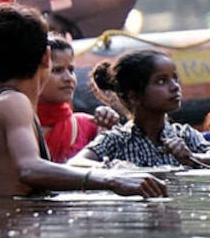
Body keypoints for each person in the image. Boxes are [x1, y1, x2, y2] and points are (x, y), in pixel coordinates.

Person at [0, 2, 166, 199]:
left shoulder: (11, 103)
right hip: (17, 225)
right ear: (47, 57)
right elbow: (29, 168)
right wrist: (110, 179)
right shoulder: (13, 103)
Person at [0, 34, 119, 160]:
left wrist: (107, 133)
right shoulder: (4, 125)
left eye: (71, 70)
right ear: (37, 72)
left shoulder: (89, 126)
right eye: (56, 71)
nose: (68, 78)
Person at [71, 49, 210, 169]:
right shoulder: (116, 140)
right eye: (161, 81)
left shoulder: (184, 135)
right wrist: (113, 169)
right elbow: (75, 164)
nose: (175, 87)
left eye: (175, 78)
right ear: (134, 97)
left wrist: (193, 158)